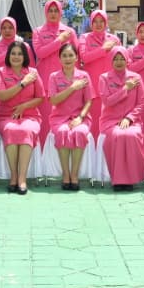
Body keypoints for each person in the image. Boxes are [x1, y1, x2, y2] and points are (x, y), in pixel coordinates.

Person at [0, 41, 44, 194]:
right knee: (11, 130)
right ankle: (13, 176)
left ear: (25, 56)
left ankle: (22, 178)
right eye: (13, 53)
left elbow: (41, 97)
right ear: (8, 55)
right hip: (5, 116)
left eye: (20, 54)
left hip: (30, 116)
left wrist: (24, 106)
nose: (16, 56)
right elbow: (1, 95)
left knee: (27, 130)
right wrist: (23, 83)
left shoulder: (33, 72)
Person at [48, 42, 94, 191]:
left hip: (80, 117)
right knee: (62, 132)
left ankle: (74, 174)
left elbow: (89, 100)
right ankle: (65, 174)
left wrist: (80, 117)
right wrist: (72, 87)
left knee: (79, 132)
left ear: (76, 58)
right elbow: (54, 100)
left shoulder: (84, 76)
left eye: (70, 55)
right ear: (59, 58)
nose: (67, 59)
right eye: (64, 56)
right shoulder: (54, 77)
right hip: (59, 118)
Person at [100, 47, 144, 192]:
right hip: (110, 120)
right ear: (111, 60)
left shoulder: (136, 77)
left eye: (122, 59)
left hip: (132, 121)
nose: (119, 62)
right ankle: (118, 179)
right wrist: (125, 89)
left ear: (127, 60)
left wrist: (129, 118)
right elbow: (107, 101)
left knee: (132, 135)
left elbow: (141, 102)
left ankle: (131, 179)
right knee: (117, 135)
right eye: (116, 59)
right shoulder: (104, 78)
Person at [77, 9, 119, 137]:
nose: (99, 24)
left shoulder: (114, 39)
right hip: (92, 86)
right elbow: (84, 57)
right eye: (95, 21)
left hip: (111, 87)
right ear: (91, 23)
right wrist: (103, 49)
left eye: (102, 21)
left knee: (110, 120)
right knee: (93, 120)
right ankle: (92, 146)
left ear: (106, 23)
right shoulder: (84, 38)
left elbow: (121, 60)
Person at [29, 0, 76, 95]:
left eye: (56, 11)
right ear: (46, 13)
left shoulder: (69, 32)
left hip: (66, 79)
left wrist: (75, 77)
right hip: (45, 79)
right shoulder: (38, 32)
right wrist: (59, 40)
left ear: (60, 12)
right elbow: (40, 53)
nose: (53, 13)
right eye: (50, 11)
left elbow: (76, 57)